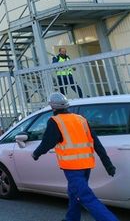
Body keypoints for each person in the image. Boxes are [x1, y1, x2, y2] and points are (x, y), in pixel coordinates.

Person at [32, 93, 117, 221]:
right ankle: (71, 218)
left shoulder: (55, 121)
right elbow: (97, 143)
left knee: (86, 197)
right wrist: (108, 165)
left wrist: (35, 154)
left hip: (72, 168)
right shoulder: (81, 119)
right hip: (87, 165)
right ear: (67, 105)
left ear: (53, 108)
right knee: (73, 192)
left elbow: (47, 143)